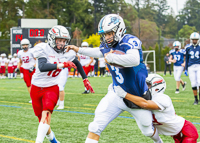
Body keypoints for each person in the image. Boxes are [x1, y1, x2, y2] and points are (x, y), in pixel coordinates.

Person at [67, 14, 162, 143]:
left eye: (109, 33)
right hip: (117, 93)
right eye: (105, 34)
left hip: (137, 97)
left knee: (147, 130)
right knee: (96, 126)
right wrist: (79, 50)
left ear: (119, 29)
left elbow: (133, 60)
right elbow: (99, 52)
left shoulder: (129, 40)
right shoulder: (107, 45)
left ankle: (159, 141)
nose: (107, 37)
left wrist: (112, 58)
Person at [114, 73, 199, 143]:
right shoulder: (147, 98)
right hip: (176, 133)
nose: (144, 87)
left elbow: (145, 104)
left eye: (148, 85)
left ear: (157, 86)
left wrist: (125, 94)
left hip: (187, 131)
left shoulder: (162, 98)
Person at [31, 25, 79, 143]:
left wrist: (85, 79)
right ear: (52, 39)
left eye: (64, 41)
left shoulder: (66, 52)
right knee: (41, 119)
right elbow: (42, 67)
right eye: (59, 40)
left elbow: (76, 62)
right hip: (36, 87)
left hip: (52, 87)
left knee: (46, 113)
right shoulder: (43, 48)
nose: (62, 44)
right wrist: (62, 65)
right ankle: (52, 138)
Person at [16, 39, 36, 103]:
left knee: (35, 84)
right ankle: (33, 98)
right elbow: (20, 62)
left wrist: (33, 67)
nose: (25, 46)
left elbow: (37, 60)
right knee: (28, 85)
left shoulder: (32, 51)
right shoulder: (20, 53)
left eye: (26, 45)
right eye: (24, 45)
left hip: (33, 69)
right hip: (25, 70)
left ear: (28, 45)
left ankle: (37, 98)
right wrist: (18, 67)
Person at [185, 32, 200, 105]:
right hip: (191, 66)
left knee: (199, 82)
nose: (194, 41)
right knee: (193, 83)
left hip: (199, 66)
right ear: (191, 40)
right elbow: (187, 59)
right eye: (193, 40)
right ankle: (196, 99)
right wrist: (185, 69)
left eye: (196, 40)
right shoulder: (188, 48)